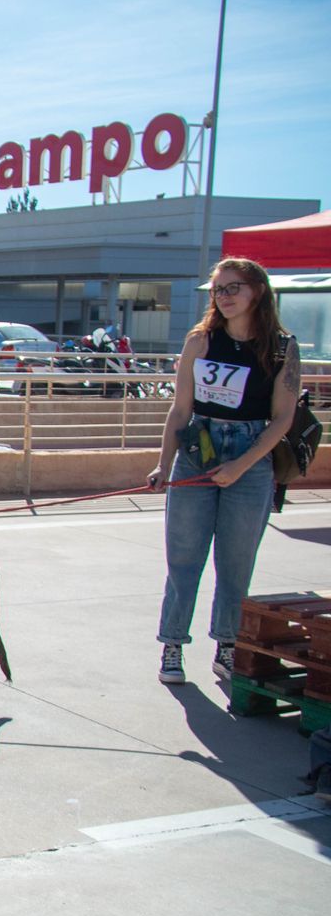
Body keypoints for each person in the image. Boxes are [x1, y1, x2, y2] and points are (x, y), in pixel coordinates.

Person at [148, 257, 300, 685]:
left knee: (236, 563)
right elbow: (180, 409)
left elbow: (282, 419)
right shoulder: (200, 340)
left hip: (251, 458)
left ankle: (227, 646)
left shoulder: (282, 346)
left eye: (234, 287)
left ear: (258, 291)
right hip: (199, 449)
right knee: (183, 558)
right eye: (218, 289)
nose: (225, 296)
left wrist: (241, 465)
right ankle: (172, 643)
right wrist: (163, 465)